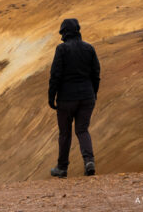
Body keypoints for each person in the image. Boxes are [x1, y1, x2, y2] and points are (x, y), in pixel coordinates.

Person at [48, 18, 100, 178]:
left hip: (66, 98)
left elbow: (55, 75)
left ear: (64, 33)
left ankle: (62, 168)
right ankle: (89, 161)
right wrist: (93, 93)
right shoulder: (89, 48)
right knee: (82, 130)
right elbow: (96, 74)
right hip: (87, 96)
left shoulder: (62, 49)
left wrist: (51, 97)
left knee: (65, 133)